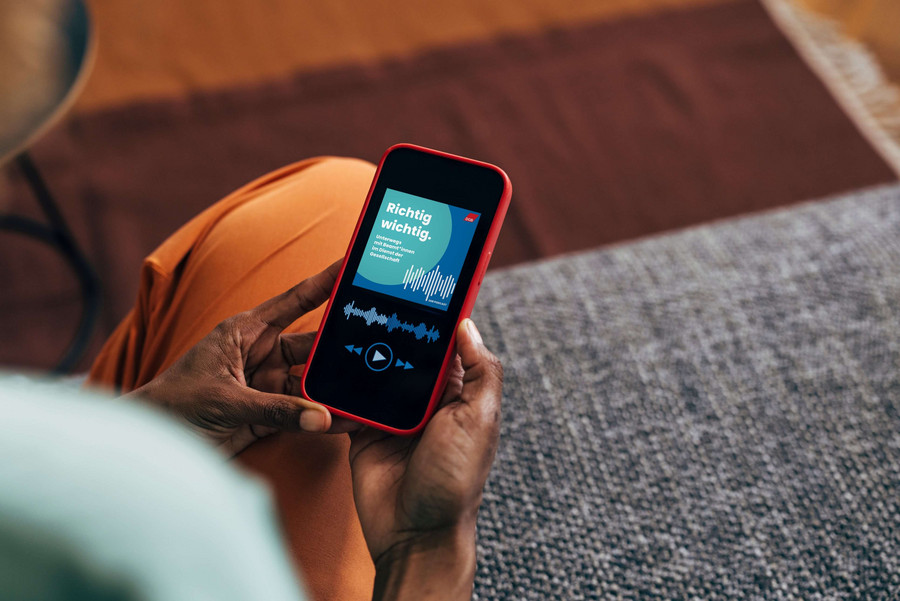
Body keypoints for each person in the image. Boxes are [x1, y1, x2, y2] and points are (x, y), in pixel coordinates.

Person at [0, 157, 504, 600]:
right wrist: (425, 547)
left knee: (341, 192)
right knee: (337, 193)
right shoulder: (203, 539)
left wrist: (150, 425)